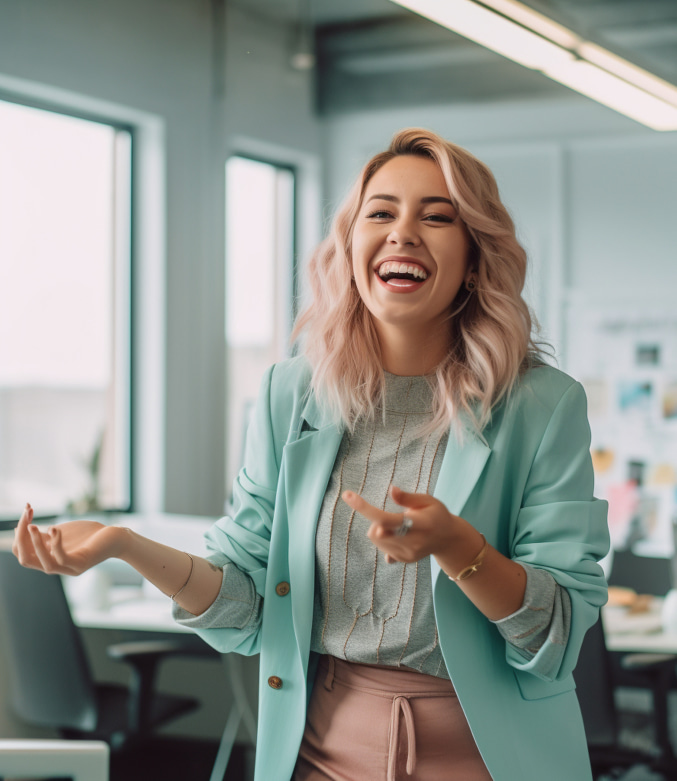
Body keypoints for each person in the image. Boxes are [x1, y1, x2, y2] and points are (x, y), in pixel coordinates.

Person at [13, 128, 609, 781]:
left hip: (487, 756)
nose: (402, 232)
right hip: (317, 751)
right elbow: (243, 607)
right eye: (379, 212)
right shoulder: (290, 391)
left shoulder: (542, 405)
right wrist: (125, 544)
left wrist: (458, 547)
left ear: (472, 259)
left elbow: (555, 636)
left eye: (435, 217)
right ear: (351, 246)